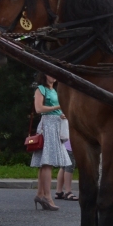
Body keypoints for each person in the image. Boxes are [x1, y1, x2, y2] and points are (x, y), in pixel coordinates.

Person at [29, 74, 66, 211]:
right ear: (44, 74)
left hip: (55, 125)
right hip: (47, 125)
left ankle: (40, 194)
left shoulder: (54, 90)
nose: (54, 76)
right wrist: (57, 107)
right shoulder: (41, 89)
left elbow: (56, 108)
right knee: (47, 163)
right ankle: (47, 196)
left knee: (45, 163)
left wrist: (60, 112)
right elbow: (39, 109)